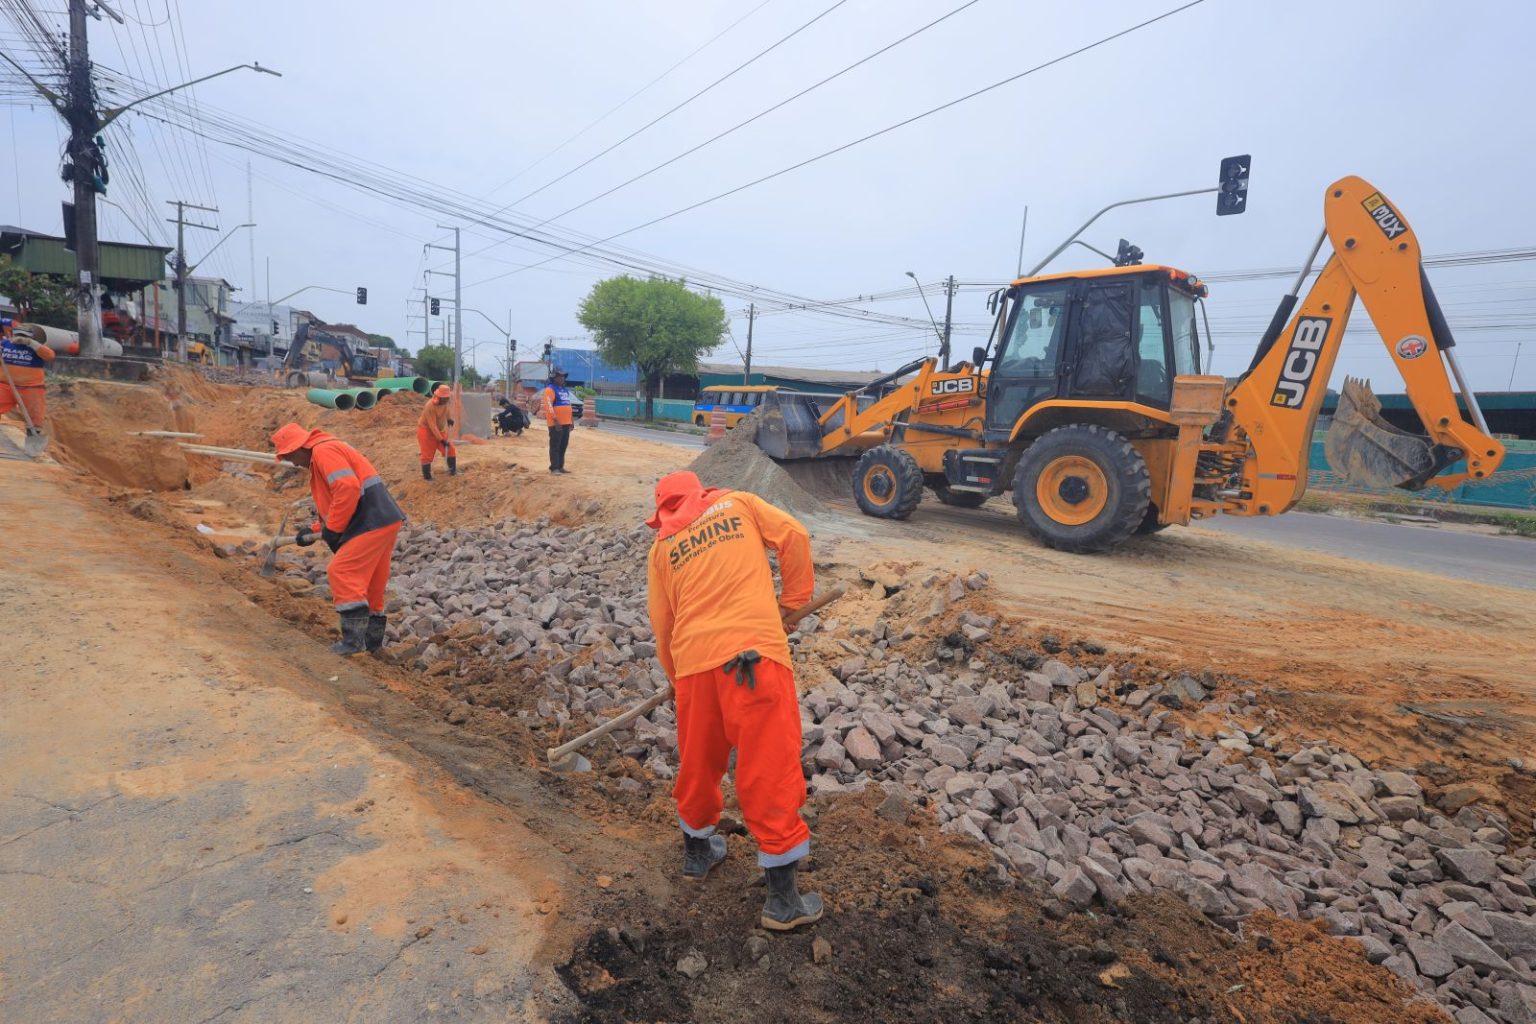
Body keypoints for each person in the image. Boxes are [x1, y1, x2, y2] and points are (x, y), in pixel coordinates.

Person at [645, 470, 823, 932]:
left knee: (699, 762)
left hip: (694, 665)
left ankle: (698, 855)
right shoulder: (740, 503)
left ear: (663, 511)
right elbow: (796, 536)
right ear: (701, 492)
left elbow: (663, 626)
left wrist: (679, 679)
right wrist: (793, 603)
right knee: (769, 767)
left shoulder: (662, 548)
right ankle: (783, 901)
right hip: (754, 657)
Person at [271, 423, 405, 657]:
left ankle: (352, 643)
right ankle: (372, 644)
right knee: (372, 582)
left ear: (300, 447)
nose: (291, 462)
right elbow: (337, 501)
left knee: (341, 571)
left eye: (289, 455)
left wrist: (333, 528)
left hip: (370, 520)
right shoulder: (326, 450)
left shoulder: (324, 451)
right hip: (383, 518)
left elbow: (347, 488)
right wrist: (315, 529)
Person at [0, 318, 54, 436]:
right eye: (19, 335)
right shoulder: (5, 344)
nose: (21, 337)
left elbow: (50, 356)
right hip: (5, 385)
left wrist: (31, 343)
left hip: (31, 388)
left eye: (24, 336)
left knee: (35, 416)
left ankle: (33, 439)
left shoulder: (37, 348)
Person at [416, 384, 457, 479]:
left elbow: (447, 411)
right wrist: (442, 440)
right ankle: (427, 477)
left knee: (450, 449)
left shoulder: (445, 403)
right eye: (445, 398)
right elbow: (432, 426)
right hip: (426, 431)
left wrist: (449, 419)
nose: (447, 399)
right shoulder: (430, 406)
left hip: (439, 431)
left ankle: (453, 471)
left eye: (447, 397)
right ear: (439, 397)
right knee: (427, 454)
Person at [542, 368, 575, 474]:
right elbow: (549, 406)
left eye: (563, 376)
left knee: (563, 445)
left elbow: (568, 405)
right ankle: (554, 468)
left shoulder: (565, 390)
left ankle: (560, 466)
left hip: (566, 423)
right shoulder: (550, 389)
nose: (562, 378)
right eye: (559, 376)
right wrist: (555, 420)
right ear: (554, 378)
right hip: (556, 424)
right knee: (555, 446)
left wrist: (571, 420)